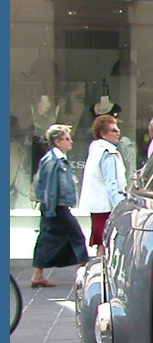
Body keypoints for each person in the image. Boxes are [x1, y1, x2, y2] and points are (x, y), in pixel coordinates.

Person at [29, 124, 88, 287]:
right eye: (67, 139)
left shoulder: (58, 158)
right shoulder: (52, 160)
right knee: (76, 235)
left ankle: (38, 275)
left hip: (56, 206)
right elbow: (48, 186)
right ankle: (86, 270)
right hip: (55, 207)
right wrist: (50, 209)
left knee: (46, 239)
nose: (71, 142)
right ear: (57, 141)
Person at [79, 114, 127, 256]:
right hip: (106, 206)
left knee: (102, 243)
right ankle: (100, 272)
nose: (118, 133)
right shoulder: (108, 152)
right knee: (106, 242)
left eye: (118, 129)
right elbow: (111, 182)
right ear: (103, 134)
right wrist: (119, 206)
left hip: (99, 205)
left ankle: (99, 271)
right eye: (113, 130)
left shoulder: (96, 149)